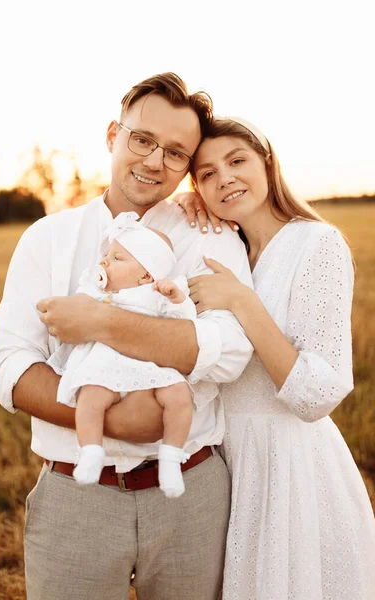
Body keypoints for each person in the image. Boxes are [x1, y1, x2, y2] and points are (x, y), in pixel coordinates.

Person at [0, 74, 254, 600]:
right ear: (113, 134)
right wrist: (111, 419)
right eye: (142, 140)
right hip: (75, 492)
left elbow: (228, 350)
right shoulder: (47, 237)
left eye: (176, 153)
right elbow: (11, 365)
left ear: (187, 168)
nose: (155, 161)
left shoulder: (211, 233)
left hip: (191, 492)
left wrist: (104, 324)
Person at [175, 115, 375, 599]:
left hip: (292, 468)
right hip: (223, 463)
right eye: (206, 173)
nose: (224, 177)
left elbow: (317, 395)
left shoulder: (316, 242)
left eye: (237, 160)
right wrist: (178, 206)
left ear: (268, 162)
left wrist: (242, 301)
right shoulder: (222, 245)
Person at [48, 210, 198, 498]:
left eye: (118, 258)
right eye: (108, 255)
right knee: (90, 396)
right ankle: (90, 451)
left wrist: (177, 297)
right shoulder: (95, 290)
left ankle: (171, 458)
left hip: (151, 362)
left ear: (146, 274)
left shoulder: (158, 292)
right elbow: (76, 312)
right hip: (108, 361)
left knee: (179, 395)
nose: (104, 261)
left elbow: (184, 321)